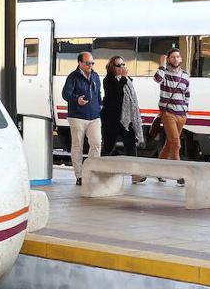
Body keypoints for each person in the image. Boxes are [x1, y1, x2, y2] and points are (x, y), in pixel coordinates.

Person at [102, 55, 146, 184]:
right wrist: (123, 79)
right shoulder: (108, 80)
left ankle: (135, 175)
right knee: (108, 147)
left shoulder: (128, 80)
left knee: (131, 146)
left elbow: (131, 99)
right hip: (112, 120)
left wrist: (125, 78)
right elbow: (115, 95)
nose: (122, 67)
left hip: (127, 120)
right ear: (112, 67)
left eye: (123, 64)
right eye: (118, 65)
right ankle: (101, 171)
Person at [62, 51, 102, 186]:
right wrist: (76, 100)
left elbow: (98, 94)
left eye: (92, 63)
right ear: (80, 63)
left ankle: (91, 172)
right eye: (87, 63)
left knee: (96, 143)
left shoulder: (95, 76)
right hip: (77, 116)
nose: (90, 65)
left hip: (94, 116)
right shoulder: (73, 77)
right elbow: (65, 94)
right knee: (77, 146)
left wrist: (99, 107)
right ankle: (79, 175)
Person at [154, 47, 191, 185]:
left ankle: (158, 171)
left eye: (177, 56)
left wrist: (185, 110)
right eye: (172, 57)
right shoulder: (164, 73)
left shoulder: (185, 75)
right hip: (168, 113)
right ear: (169, 59)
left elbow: (187, 94)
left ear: (181, 59)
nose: (175, 59)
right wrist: (162, 65)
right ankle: (179, 174)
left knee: (169, 144)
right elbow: (157, 79)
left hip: (181, 115)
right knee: (176, 143)